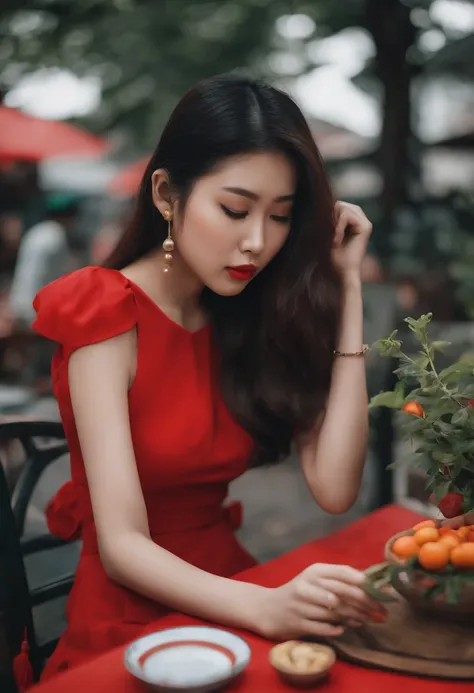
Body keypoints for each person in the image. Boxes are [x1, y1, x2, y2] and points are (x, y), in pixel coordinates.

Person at [31, 73, 383, 682]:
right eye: (235, 209)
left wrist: (347, 287)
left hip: (238, 587)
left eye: (281, 216)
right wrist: (265, 605)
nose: (257, 242)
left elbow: (334, 489)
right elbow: (122, 547)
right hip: (135, 618)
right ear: (167, 195)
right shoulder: (104, 311)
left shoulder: (248, 313)